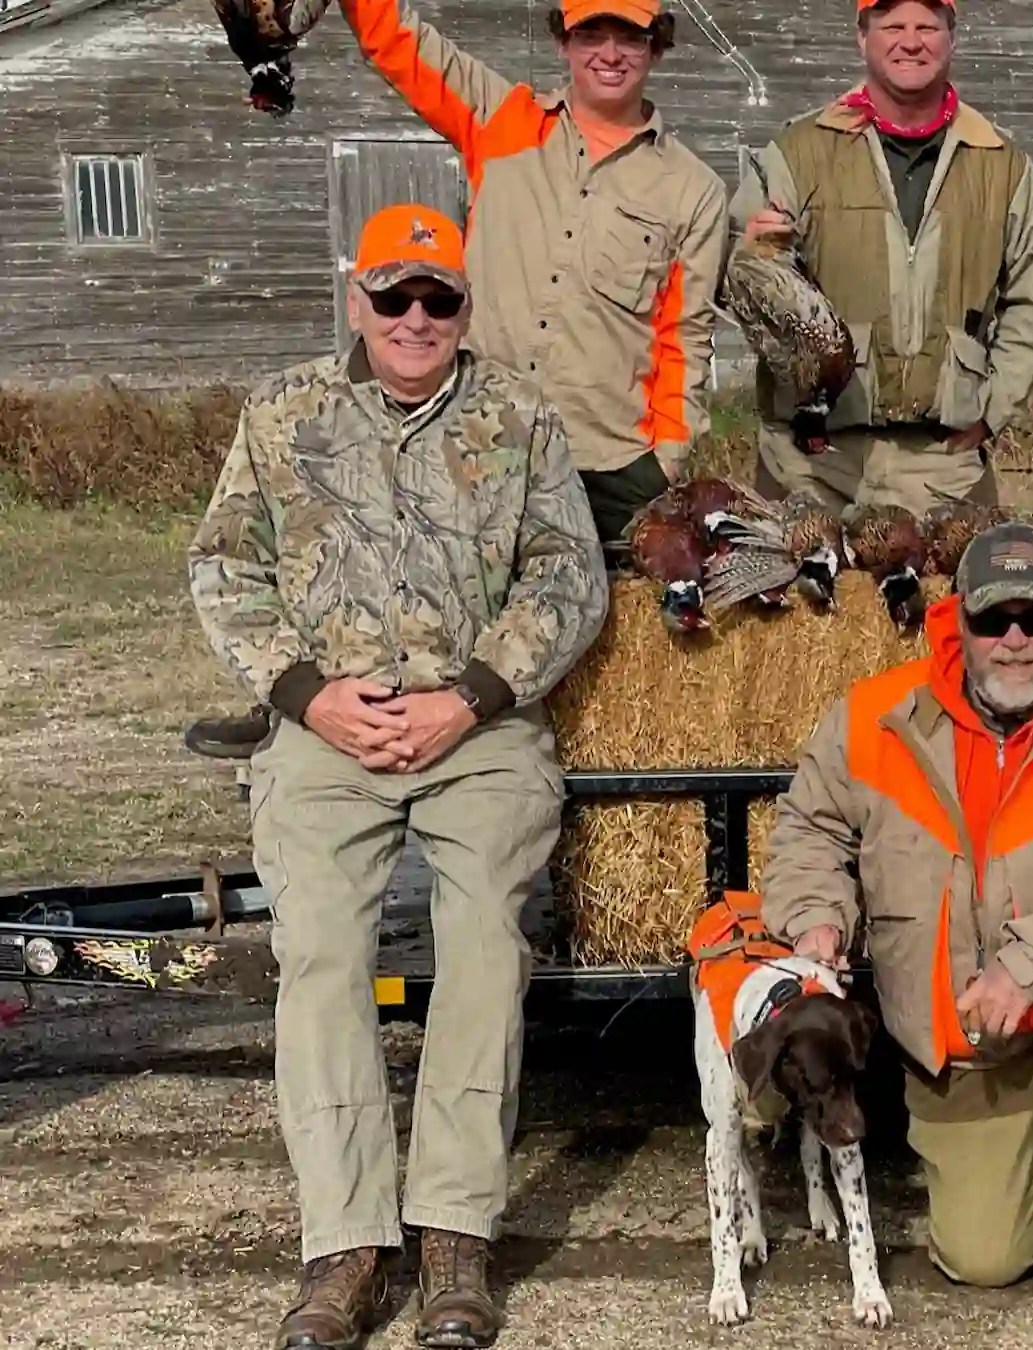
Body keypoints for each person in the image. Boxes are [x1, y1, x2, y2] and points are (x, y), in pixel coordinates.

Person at [188, 204, 608, 1350]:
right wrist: (304, 694)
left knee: (484, 942)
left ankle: (455, 1236)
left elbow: (569, 579)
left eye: (438, 299)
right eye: (394, 297)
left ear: (465, 307)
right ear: (355, 298)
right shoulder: (283, 413)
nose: (416, 318)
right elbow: (225, 567)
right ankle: (347, 1244)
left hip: (476, 730)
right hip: (327, 728)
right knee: (318, 947)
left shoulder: (520, 416)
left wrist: (469, 697)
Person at [184, 0, 725, 763]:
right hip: (478, 438)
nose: (610, 52)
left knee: (622, 651)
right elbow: (397, 40)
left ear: (656, 46)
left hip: (609, 454)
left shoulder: (692, 188)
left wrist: (666, 457)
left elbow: (684, 337)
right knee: (378, 573)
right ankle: (292, 714)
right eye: (591, 33)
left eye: (629, 35)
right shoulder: (499, 118)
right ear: (564, 42)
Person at [759, 523, 1033, 1350]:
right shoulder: (872, 716)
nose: (1013, 639)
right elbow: (809, 832)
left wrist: (1031, 964)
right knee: (987, 1259)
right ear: (956, 619)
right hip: (956, 1033)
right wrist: (818, 913)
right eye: (994, 617)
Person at [730, 0, 1033, 512]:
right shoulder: (800, 151)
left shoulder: (1001, 165)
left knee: (964, 591)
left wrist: (995, 409)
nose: (911, 40)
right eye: (892, 26)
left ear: (952, 37)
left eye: (927, 26)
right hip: (809, 462)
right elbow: (735, 280)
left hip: (943, 462)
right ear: (862, 37)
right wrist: (750, 252)